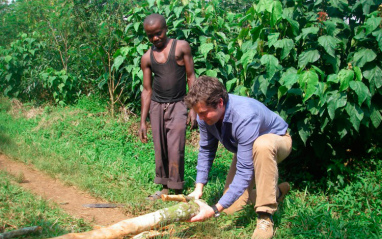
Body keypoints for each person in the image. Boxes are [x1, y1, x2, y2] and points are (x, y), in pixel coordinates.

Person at [184, 76, 292, 239]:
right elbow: (206, 149)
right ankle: (275, 192)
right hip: (248, 149)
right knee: (231, 208)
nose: (201, 118)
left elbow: (244, 172)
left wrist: (213, 210)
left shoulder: (244, 115)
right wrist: (198, 189)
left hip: (277, 142)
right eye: (198, 113)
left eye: (204, 113)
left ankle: (265, 216)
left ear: (220, 103)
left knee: (262, 145)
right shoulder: (204, 116)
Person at [139, 13, 197, 200]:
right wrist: (143, 121)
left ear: (165, 29)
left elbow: (191, 77)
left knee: (176, 147)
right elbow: (147, 90)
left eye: (158, 33)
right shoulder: (147, 57)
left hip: (179, 103)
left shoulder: (181, 47)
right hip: (157, 105)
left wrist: (193, 107)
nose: (155, 38)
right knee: (160, 146)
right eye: (150, 36)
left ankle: (177, 188)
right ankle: (164, 187)